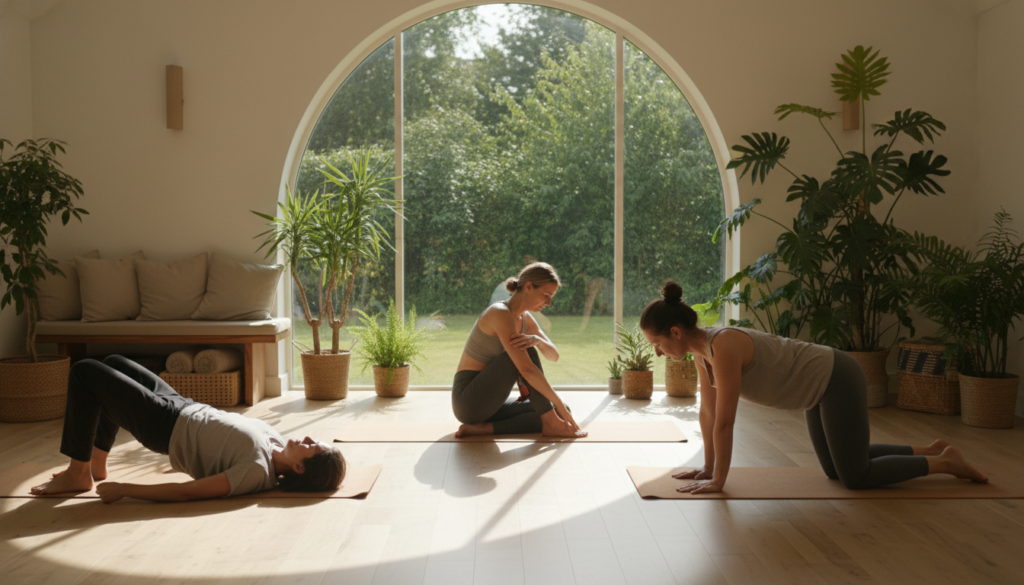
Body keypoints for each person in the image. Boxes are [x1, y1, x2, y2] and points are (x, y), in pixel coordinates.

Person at [640, 280, 989, 494]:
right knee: (835, 469)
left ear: (675, 332)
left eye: (656, 343)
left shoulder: (724, 346)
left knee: (855, 477)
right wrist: (707, 467)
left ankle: (945, 464)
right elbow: (708, 412)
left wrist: (719, 481)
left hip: (836, 377)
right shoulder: (703, 354)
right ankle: (931, 449)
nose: (657, 352)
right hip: (814, 391)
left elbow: (726, 422)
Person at [31, 355, 346, 503]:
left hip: (164, 427)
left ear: (298, 467)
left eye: (310, 445)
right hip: (183, 405)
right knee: (115, 362)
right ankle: (96, 464)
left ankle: (78, 472)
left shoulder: (255, 472)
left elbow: (189, 491)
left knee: (85, 372)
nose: (305, 438)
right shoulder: (275, 441)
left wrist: (126, 490)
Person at [452, 262, 587, 438]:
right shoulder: (499, 312)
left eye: (551, 296)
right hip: (468, 401)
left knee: (560, 411)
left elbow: (554, 356)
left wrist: (537, 340)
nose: (549, 303)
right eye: (546, 295)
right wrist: (557, 402)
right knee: (527, 352)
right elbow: (526, 369)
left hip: (491, 402)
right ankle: (551, 424)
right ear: (529, 287)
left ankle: (484, 428)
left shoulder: (525, 319)